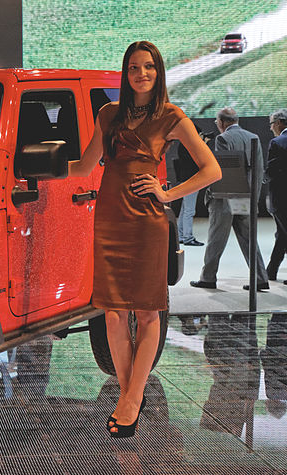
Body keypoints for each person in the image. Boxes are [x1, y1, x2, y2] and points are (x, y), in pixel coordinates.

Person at [68, 41, 220, 438]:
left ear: (158, 71)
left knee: (148, 312)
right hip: (110, 220)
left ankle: (132, 399)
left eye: (148, 67)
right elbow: (85, 166)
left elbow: (212, 169)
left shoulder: (171, 117)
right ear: (126, 72)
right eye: (134, 68)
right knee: (114, 313)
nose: (141, 74)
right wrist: (35, 167)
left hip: (148, 221)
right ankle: (129, 393)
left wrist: (168, 193)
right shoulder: (108, 115)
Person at [190, 107, 269, 291]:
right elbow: (258, 171)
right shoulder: (253, 137)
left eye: (217, 122)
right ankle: (260, 277)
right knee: (249, 239)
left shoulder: (223, 138)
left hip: (226, 198)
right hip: (247, 197)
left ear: (222, 122)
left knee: (216, 239)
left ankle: (208, 277)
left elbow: (223, 171)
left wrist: (211, 195)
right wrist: (254, 197)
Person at [173, 121, 209, 246]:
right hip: (192, 179)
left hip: (186, 179)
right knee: (189, 210)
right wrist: (203, 144)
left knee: (185, 209)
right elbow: (198, 159)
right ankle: (188, 237)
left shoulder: (184, 144)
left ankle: (181, 235)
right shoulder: (190, 145)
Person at [265, 108, 287, 282]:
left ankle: (270, 271)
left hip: (281, 197)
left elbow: (271, 171)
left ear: (279, 123)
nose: (271, 127)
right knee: (282, 234)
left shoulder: (277, 142)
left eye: (272, 124)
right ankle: (271, 271)